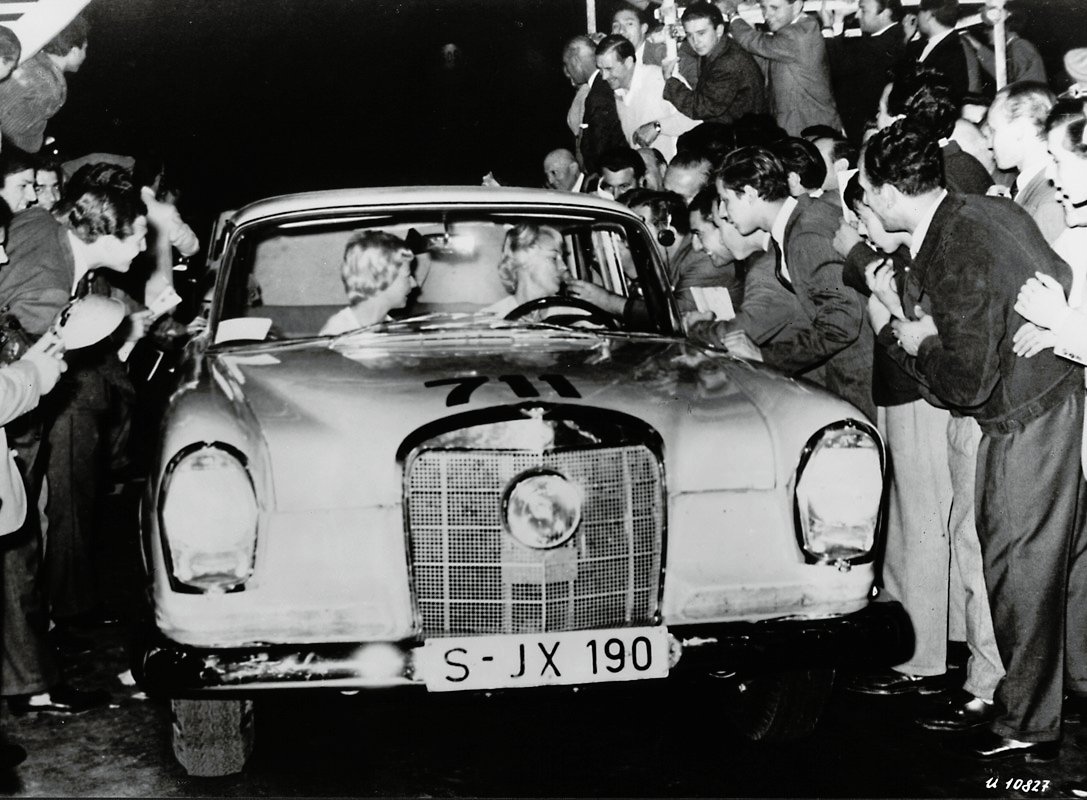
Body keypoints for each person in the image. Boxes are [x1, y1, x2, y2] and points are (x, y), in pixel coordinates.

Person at [860, 121, 1085, 761]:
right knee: (1065, 565)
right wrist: (1047, 331)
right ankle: (1072, 694)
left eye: (868, 193)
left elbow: (966, 381)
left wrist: (918, 341)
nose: (866, 204)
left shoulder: (954, 247)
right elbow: (1059, 272)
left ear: (889, 194)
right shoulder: (982, 208)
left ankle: (1026, 725)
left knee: (1018, 571)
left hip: (1022, 419)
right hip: (1058, 401)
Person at [835, 172, 1004, 728]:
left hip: (919, 393)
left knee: (924, 527)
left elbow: (915, 330)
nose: (862, 228)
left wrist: (881, 306)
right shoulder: (903, 255)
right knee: (922, 526)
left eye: (865, 215)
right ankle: (937, 649)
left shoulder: (918, 258)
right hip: (905, 391)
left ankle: (921, 657)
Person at [715, 145, 873, 417]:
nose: (723, 212)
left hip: (860, 377)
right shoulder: (804, 217)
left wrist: (765, 357)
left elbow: (842, 323)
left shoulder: (805, 235)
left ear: (750, 194)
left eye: (725, 200)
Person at [719, 0, 842, 136]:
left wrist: (732, 14)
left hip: (813, 127)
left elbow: (756, 43)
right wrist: (744, 28)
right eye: (763, 8)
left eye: (775, 8)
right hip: (800, 124)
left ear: (796, 6)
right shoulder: (787, 34)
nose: (766, 15)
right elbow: (765, 62)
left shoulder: (801, 33)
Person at [878, 67, 992, 195]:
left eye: (880, 110)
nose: (877, 118)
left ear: (900, 121)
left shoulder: (932, 180)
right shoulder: (960, 161)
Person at [660, 2, 766, 126]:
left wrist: (669, 80)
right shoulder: (719, 47)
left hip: (740, 132)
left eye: (701, 33)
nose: (695, 42)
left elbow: (700, 108)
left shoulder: (728, 63)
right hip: (729, 125)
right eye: (689, 35)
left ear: (719, 30)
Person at [595, 34, 697, 162]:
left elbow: (696, 119)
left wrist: (658, 126)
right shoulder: (619, 91)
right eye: (600, 70)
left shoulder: (660, 79)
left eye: (609, 69)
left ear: (628, 62)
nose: (604, 76)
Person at [985, 82, 1064, 245]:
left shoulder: (1050, 204)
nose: (989, 144)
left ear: (1021, 129)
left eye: (993, 131)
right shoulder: (1035, 187)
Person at [0, 14, 88, 153]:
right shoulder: (53, 89)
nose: (85, 55)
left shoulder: (30, 58)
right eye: (85, 49)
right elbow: (12, 129)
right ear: (75, 51)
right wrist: (34, 146)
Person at [822, 0, 906, 142]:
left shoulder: (878, 46)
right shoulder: (889, 37)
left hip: (865, 129)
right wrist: (838, 19)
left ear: (885, 14)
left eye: (864, 10)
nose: (857, 15)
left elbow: (837, 66)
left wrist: (827, 26)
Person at [320, 231, 416, 334]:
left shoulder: (394, 328)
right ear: (380, 277)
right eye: (407, 275)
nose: (414, 283)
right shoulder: (339, 332)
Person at [563, 35, 627, 176]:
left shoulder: (598, 94)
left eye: (567, 64)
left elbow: (600, 148)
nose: (568, 71)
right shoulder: (602, 86)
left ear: (575, 61)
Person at [480, 224, 567, 318]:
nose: (563, 267)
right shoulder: (492, 318)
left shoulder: (572, 313)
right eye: (554, 258)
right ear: (523, 258)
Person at [962, 10, 1046, 87]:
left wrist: (978, 46)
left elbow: (1006, 75)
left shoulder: (1021, 45)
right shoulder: (1014, 46)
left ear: (1005, 27)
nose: (985, 32)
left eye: (989, 27)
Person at [904, 0, 967, 102]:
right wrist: (905, 38)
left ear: (928, 15)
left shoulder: (954, 51)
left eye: (919, 12)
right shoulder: (922, 44)